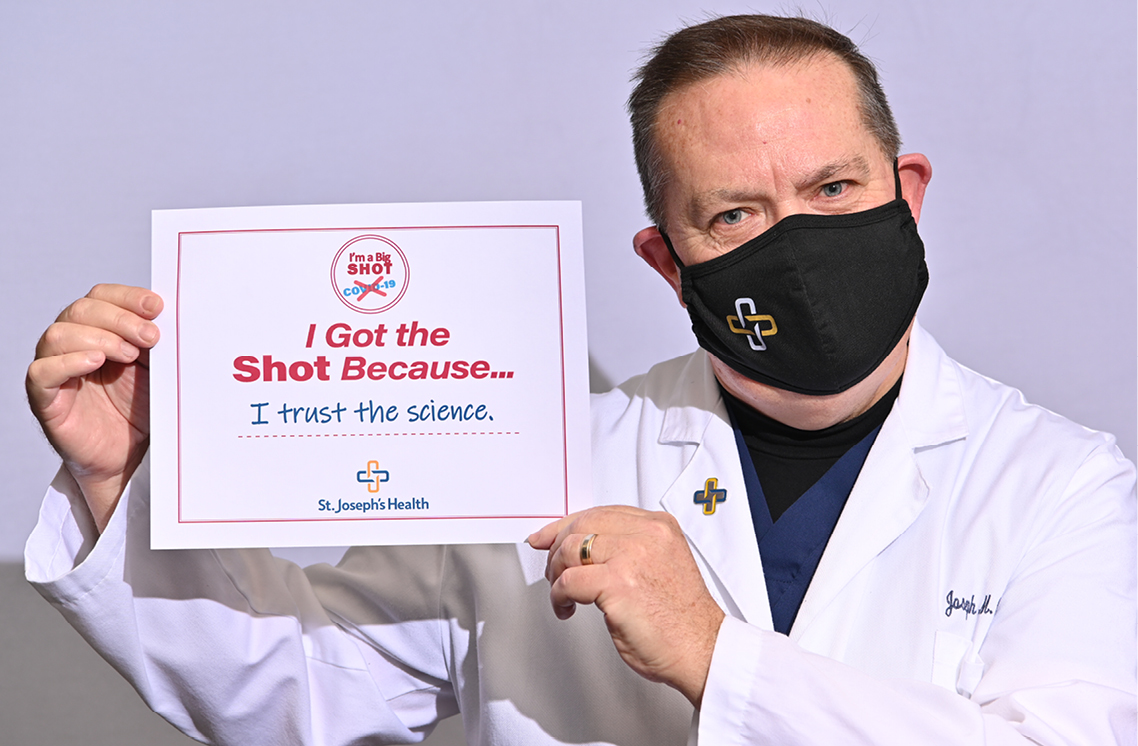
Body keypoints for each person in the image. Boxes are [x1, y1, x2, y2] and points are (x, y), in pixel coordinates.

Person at [24, 14, 1135, 746]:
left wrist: (712, 656)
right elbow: (308, 687)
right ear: (667, 257)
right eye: (735, 214)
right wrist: (127, 484)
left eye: (834, 188)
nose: (796, 242)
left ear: (908, 192)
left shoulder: (1066, 487)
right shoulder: (532, 451)